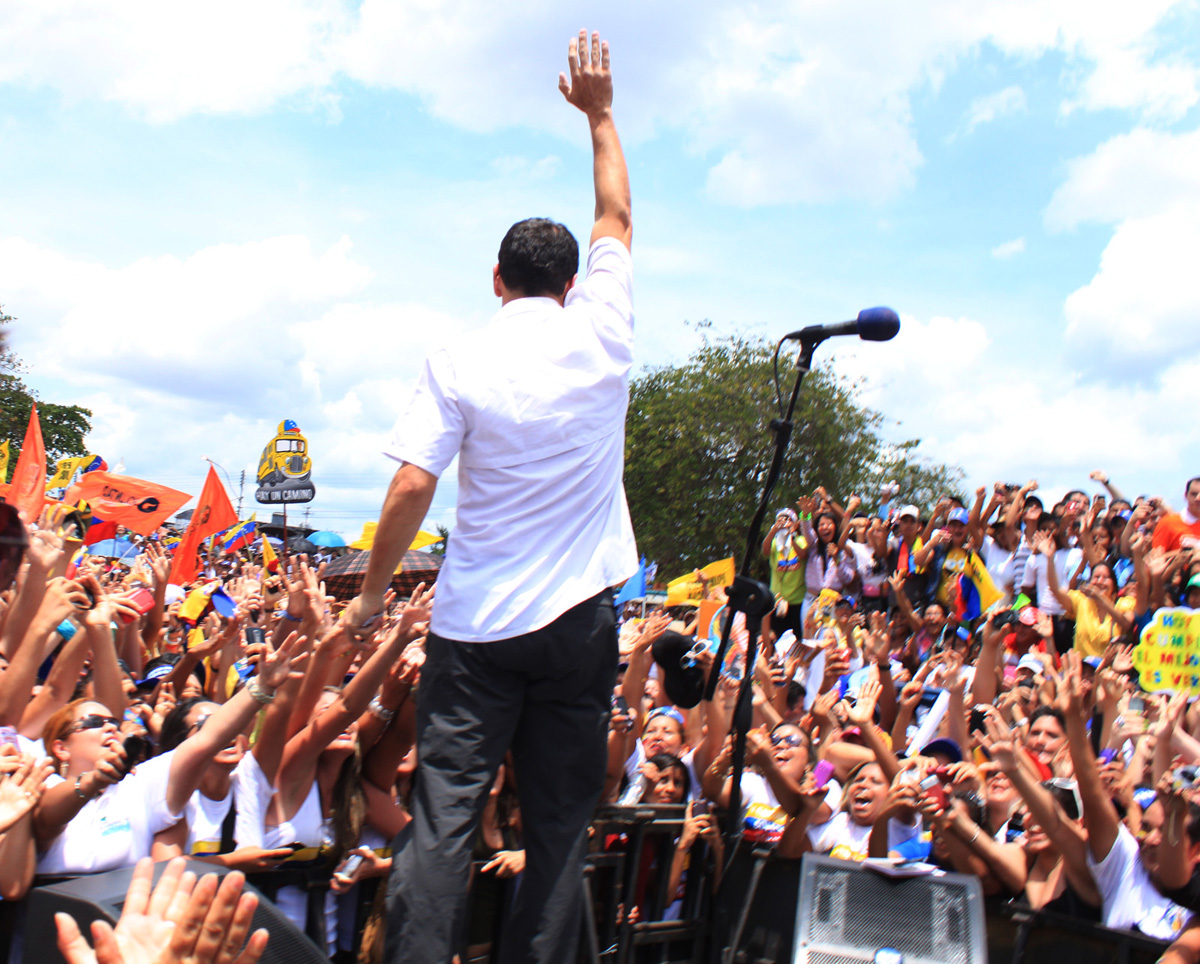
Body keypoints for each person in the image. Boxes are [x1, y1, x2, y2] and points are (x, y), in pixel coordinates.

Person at [341, 29, 636, 964]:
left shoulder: (458, 356)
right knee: (556, 826)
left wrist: (372, 592)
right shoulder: (605, 330)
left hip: (475, 632)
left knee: (445, 823)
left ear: (498, 281)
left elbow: (413, 485)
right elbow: (617, 217)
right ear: (569, 283)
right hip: (581, 623)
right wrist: (599, 114)